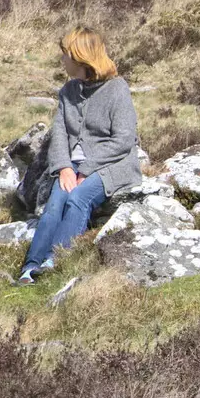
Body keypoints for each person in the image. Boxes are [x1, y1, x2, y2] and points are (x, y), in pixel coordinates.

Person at [17, 28, 142, 285]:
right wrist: (64, 167)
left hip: (112, 164)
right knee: (54, 204)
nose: (62, 60)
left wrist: (86, 169)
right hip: (73, 165)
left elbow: (124, 139)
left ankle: (56, 259)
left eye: (66, 55)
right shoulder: (68, 91)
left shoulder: (117, 89)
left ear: (80, 57)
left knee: (78, 198)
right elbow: (60, 135)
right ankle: (30, 267)